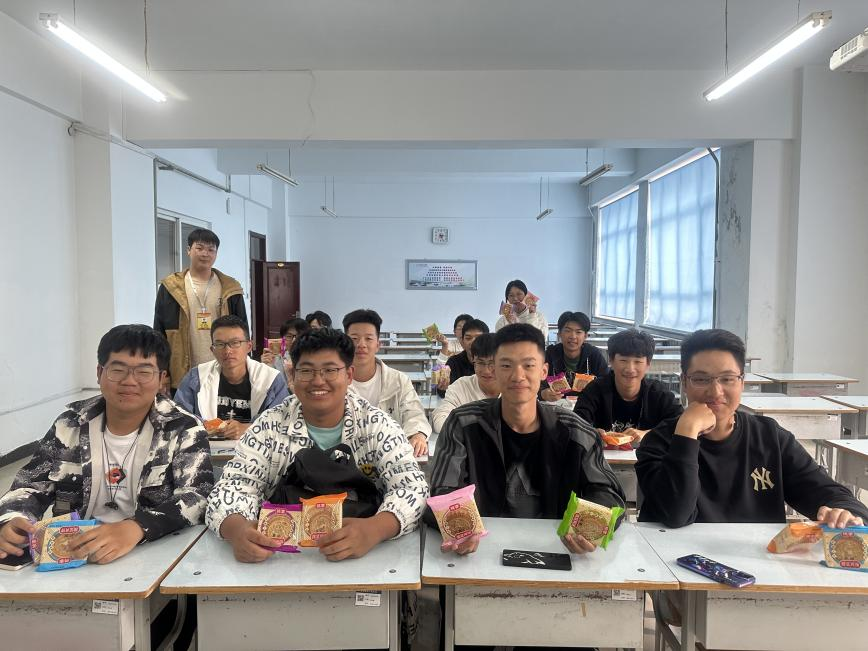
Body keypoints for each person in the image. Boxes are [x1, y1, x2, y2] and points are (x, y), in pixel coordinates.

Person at [206, 328, 428, 563]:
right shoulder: (269, 426)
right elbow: (233, 488)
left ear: (349, 375)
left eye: (330, 370)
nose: (318, 380)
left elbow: (413, 488)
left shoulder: (376, 425)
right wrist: (237, 530)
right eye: (306, 371)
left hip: (365, 557)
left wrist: (375, 529)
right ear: (293, 375)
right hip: (280, 558)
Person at [0, 325, 213, 564]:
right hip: (74, 552)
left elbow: (197, 496)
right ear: (100, 372)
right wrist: (13, 519)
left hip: (153, 551)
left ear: (162, 378)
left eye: (144, 372)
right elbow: (29, 485)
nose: (129, 381)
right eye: (118, 370)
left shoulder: (183, 428)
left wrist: (137, 527)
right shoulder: (69, 424)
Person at [636, 328, 868, 528]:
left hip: (758, 562)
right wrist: (686, 433)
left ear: (742, 382)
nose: (715, 391)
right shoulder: (658, 442)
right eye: (700, 379)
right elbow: (675, 515)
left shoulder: (770, 438)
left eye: (727, 379)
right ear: (684, 383)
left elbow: (827, 491)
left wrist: (845, 512)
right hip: (676, 561)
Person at [428, 323, 625, 556]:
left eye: (528, 365)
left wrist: (585, 530)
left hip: (558, 549)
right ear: (494, 370)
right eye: (506, 365)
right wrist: (462, 530)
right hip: (481, 550)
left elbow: (608, 494)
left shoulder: (576, 431)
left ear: (544, 371)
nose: (517, 376)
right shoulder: (463, 424)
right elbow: (444, 490)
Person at [154, 228, 247, 393]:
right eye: (200, 248)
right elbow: (159, 332)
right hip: (182, 371)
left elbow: (243, 331)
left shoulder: (230, 288)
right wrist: (162, 371)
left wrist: (245, 366)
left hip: (223, 368)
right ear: (188, 250)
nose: (205, 253)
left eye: (211, 250)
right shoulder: (171, 287)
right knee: (184, 410)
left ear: (216, 254)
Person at [174, 316, 289, 440]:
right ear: (212, 350)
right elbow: (179, 418)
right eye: (220, 344)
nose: (228, 351)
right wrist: (207, 427)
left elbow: (282, 421)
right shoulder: (196, 377)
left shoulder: (271, 379)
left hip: (257, 448)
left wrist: (248, 428)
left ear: (249, 346)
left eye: (235, 343)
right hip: (207, 448)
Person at [342, 309, 432, 456]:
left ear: (378, 344)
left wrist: (416, 434)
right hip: (349, 456)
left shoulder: (398, 380)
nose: (361, 344)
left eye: (368, 338)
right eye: (354, 338)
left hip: (391, 454)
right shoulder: (336, 382)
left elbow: (414, 413)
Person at [573, 329, 682, 446]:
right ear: (611, 361)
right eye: (623, 360)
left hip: (646, 457)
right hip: (602, 456)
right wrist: (592, 433)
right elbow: (576, 423)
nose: (630, 369)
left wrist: (647, 434)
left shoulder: (658, 393)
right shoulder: (595, 390)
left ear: (648, 364)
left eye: (638, 362)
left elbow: (681, 423)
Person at [431, 334, 500, 433]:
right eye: (480, 363)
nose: (486, 371)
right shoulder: (461, 387)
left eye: (492, 363)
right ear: (473, 361)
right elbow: (440, 422)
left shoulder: (515, 388)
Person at [540, 311, 608, 402]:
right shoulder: (549, 355)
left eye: (578, 332)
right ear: (559, 334)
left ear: (585, 336)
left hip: (587, 406)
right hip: (555, 406)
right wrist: (543, 393)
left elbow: (606, 384)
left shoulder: (594, 355)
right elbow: (535, 382)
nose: (573, 336)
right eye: (567, 331)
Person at [261, 317, 311, 390]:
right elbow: (270, 387)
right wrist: (267, 367)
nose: (294, 340)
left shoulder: (313, 358)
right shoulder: (276, 358)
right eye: (289, 336)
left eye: (299, 336)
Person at [442, 318, 489, 388]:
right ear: (462, 341)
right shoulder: (453, 363)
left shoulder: (496, 362)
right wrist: (443, 388)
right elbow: (444, 391)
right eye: (468, 338)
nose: (472, 342)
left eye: (478, 338)